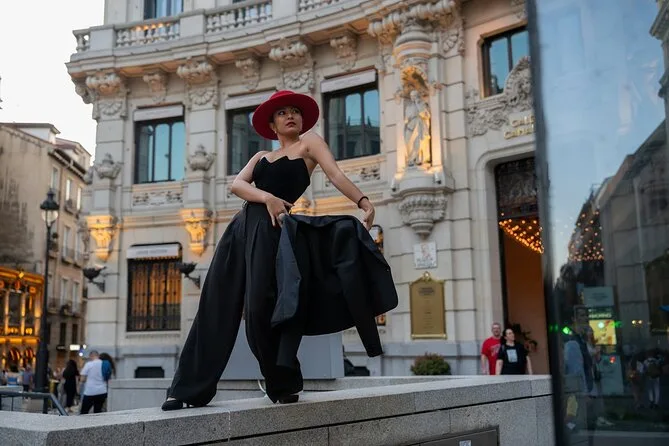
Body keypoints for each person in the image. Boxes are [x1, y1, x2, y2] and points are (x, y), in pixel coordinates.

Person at [162, 90, 397, 411]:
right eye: (282, 113)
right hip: (240, 229)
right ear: (272, 125)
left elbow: (335, 174)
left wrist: (363, 201)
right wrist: (268, 198)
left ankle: (283, 383)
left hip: (272, 231)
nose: (290, 116)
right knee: (214, 303)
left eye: (295, 112)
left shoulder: (309, 144)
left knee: (260, 311)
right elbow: (237, 185)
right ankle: (186, 390)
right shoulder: (261, 156)